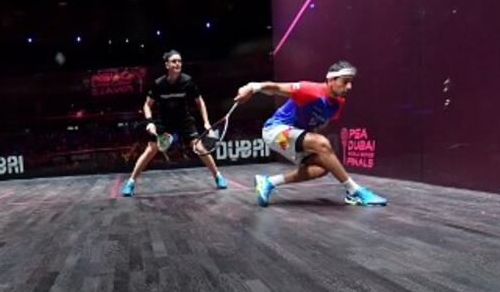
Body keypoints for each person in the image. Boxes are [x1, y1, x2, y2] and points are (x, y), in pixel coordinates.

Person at [234, 61, 388, 207]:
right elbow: (275, 88)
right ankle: (354, 191)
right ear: (331, 80)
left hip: (295, 136)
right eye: (345, 81)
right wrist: (251, 87)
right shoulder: (310, 89)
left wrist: (317, 147)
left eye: (351, 82)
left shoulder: (338, 104)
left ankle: (268, 182)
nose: (349, 86)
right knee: (322, 143)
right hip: (275, 131)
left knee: (322, 167)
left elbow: (320, 125)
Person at [121, 50, 228, 196]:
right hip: (164, 121)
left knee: (199, 147)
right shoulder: (159, 84)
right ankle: (130, 182)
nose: (178, 64)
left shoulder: (187, 81)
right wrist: (150, 122)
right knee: (151, 149)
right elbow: (147, 105)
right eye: (174, 61)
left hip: (183, 119)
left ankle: (218, 176)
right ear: (167, 65)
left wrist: (206, 122)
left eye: (179, 61)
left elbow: (200, 102)